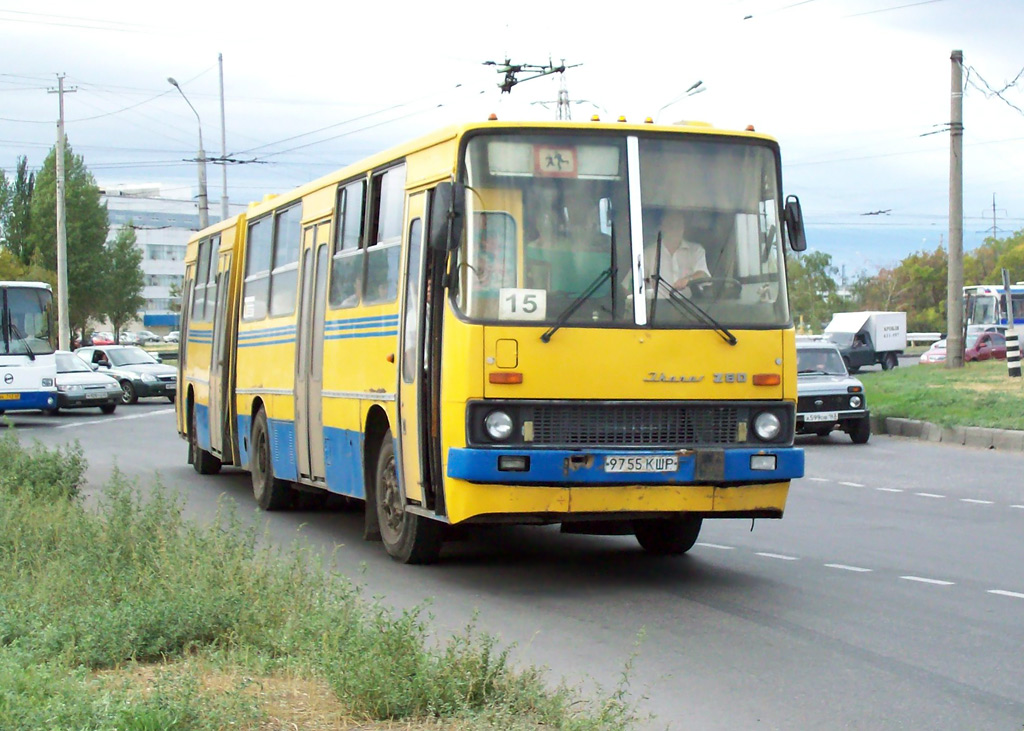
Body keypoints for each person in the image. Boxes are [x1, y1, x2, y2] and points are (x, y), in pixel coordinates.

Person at [646, 209, 710, 294]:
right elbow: (629, 285)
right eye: (671, 226)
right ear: (661, 228)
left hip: (688, 306)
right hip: (657, 306)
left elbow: (704, 276)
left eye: (679, 226)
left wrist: (689, 279)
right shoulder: (648, 254)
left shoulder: (696, 250)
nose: (675, 230)